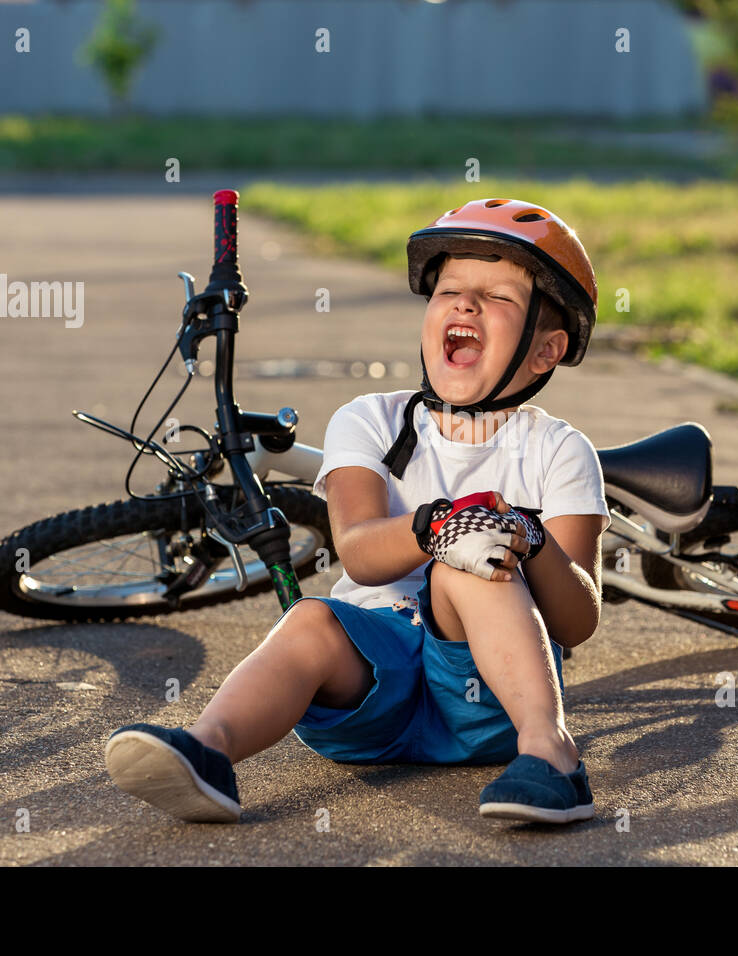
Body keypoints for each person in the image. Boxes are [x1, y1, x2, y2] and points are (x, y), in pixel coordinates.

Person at [105, 197, 610, 825]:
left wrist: (530, 540)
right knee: (313, 619)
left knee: (467, 567)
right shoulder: (369, 419)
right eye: (449, 288)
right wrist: (434, 525)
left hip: (488, 697)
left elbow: (579, 618)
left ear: (546, 350)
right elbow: (361, 552)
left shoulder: (559, 449)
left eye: (499, 298)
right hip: (370, 696)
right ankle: (207, 752)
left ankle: (553, 757)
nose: (465, 303)